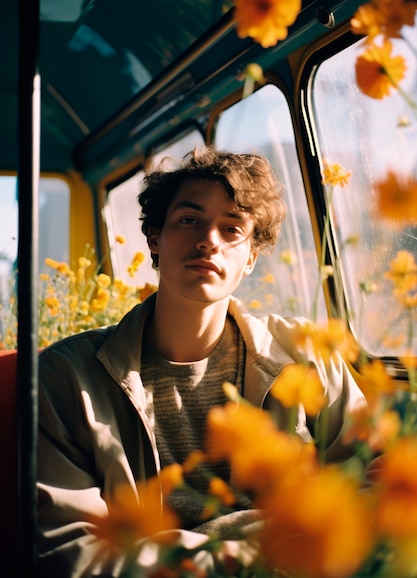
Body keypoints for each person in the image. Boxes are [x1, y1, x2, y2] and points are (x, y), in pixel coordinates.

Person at [36, 147, 366, 577]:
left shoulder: (307, 355)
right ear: (154, 238)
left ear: (251, 257)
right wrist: (256, 551)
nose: (210, 240)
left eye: (232, 228)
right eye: (189, 220)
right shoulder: (66, 377)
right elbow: (77, 551)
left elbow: (373, 475)